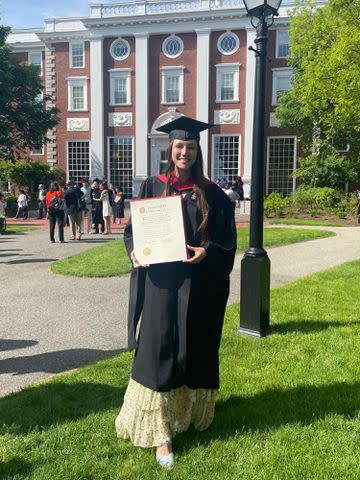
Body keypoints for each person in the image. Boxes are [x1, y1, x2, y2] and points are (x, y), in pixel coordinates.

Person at [115, 116, 237, 469]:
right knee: (157, 351)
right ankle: (160, 435)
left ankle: (185, 415)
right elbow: (132, 232)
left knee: (193, 347)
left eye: (192, 148)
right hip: (159, 285)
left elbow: (227, 239)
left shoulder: (212, 193)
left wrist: (207, 251)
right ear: (170, 149)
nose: (185, 152)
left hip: (196, 285)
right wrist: (135, 251)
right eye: (180, 146)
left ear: (199, 152)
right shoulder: (153, 186)